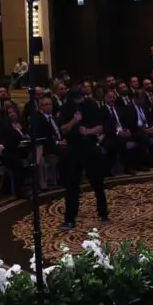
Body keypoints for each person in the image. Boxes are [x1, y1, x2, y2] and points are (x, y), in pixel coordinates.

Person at [57, 83, 109, 231]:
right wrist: (73, 121)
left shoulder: (91, 105)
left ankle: (103, 213)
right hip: (73, 149)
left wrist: (88, 131)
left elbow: (101, 127)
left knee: (97, 182)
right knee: (71, 185)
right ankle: (69, 219)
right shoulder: (65, 108)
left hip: (90, 147)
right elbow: (63, 130)